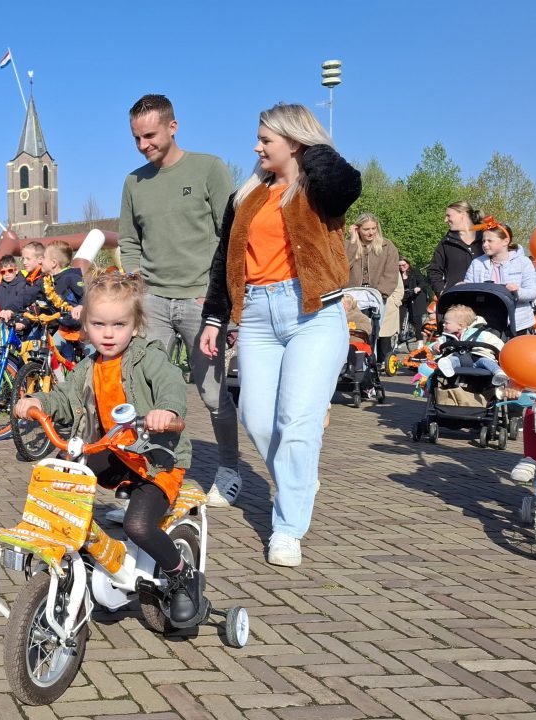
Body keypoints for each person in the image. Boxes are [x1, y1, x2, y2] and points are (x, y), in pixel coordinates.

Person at [199, 103, 361, 568]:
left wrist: (310, 151)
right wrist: (215, 317)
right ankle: (300, 479)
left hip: (314, 312)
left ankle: (287, 528)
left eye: (266, 139)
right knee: (255, 416)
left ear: (294, 141)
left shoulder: (321, 188)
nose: (256, 147)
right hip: (256, 315)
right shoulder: (248, 195)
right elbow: (224, 261)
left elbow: (347, 184)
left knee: (297, 421)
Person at [12, 271, 204, 626]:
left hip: (156, 461)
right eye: (99, 324)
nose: (109, 333)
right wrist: (39, 401)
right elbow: (64, 398)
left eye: (119, 324)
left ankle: (182, 575)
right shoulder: (88, 366)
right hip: (117, 454)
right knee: (67, 472)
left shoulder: (148, 357)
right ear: (86, 326)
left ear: (135, 325)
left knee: (138, 525)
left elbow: (171, 383)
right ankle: (70, 547)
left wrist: (167, 410)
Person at [116, 93, 243, 507]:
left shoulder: (209, 168)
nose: (143, 145)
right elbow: (129, 241)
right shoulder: (133, 182)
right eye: (136, 138)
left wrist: (219, 296)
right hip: (153, 301)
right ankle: (151, 478)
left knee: (212, 393)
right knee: (144, 392)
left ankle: (228, 469)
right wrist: (137, 285)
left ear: (173, 127)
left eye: (150, 135)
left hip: (200, 301)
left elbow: (231, 236)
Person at [462, 219, 536, 333]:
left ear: (505, 241)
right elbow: (469, 290)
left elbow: (533, 292)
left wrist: (517, 291)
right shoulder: (477, 263)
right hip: (485, 322)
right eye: (483, 241)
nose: (485, 245)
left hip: (517, 323)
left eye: (490, 241)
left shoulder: (523, 262)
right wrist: (463, 287)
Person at [345, 212, 403, 360]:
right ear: (358, 229)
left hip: (376, 296)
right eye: (366, 229)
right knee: (352, 330)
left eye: (373, 228)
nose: (371, 232)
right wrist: (353, 242)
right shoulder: (347, 245)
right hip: (351, 296)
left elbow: (391, 273)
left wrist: (382, 293)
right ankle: (350, 360)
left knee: (373, 331)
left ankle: (371, 361)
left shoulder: (387, 246)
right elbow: (342, 267)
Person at [432, 304, 507, 385]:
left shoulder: (479, 333)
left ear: (460, 325)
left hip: (478, 358)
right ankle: (447, 369)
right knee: (451, 360)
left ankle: (498, 373)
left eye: (447, 323)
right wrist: (435, 346)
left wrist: (504, 351)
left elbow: (495, 342)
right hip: (459, 360)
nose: (443, 324)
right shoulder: (446, 337)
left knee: (487, 361)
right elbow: (437, 343)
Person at [426, 200, 484, 295]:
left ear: (462, 214)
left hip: (487, 298)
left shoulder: (487, 237)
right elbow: (433, 270)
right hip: (456, 299)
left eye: (448, 215)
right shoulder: (446, 242)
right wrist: (441, 292)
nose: (445, 220)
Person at [399, 258, 432, 337]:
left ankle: (419, 337)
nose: (401, 267)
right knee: (399, 316)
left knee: (415, 317)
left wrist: (418, 288)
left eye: (403, 265)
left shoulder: (414, 271)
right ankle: (399, 336)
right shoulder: (397, 274)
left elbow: (422, 282)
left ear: (408, 264)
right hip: (403, 296)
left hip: (415, 295)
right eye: (399, 265)